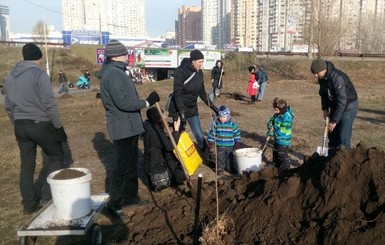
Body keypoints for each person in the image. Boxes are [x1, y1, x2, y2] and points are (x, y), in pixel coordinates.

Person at [96, 39, 160, 221]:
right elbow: (123, 103)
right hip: (122, 127)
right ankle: (114, 205)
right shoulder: (114, 75)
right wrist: (147, 102)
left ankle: (131, 197)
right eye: (125, 53)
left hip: (129, 126)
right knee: (122, 167)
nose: (127, 56)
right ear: (117, 56)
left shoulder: (117, 72)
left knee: (131, 164)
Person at [3, 43, 67, 214]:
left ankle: (29, 204)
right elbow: (49, 104)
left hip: (20, 126)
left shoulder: (9, 78)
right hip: (40, 124)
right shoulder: (39, 75)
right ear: (38, 58)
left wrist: (15, 122)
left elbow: (8, 106)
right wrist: (58, 126)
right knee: (57, 156)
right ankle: (47, 197)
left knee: (27, 165)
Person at [172, 49, 219, 162]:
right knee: (179, 135)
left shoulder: (199, 73)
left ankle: (207, 158)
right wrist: (181, 111)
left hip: (192, 108)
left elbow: (202, 92)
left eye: (202, 62)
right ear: (192, 61)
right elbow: (177, 92)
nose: (201, 64)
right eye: (199, 62)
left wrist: (212, 107)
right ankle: (177, 160)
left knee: (199, 134)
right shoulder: (181, 72)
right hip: (179, 108)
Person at [310, 59, 358, 151]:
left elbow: (342, 101)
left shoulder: (337, 78)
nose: (315, 75)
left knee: (343, 136)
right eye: (314, 73)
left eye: (317, 73)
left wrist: (334, 121)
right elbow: (323, 94)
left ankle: (345, 156)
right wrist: (325, 109)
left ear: (323, 69)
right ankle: (332, 156)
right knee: (332, 134)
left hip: (348, 106)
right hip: (336, 106)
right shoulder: (322, 78)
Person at [143, 107, 186, 190]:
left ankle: (173, 173)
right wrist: (176, 130)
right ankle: (170, 179)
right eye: (163, 116)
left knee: (175, 159)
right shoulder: (154, 133)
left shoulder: (152, 127)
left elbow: (165, 142)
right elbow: (170, 146)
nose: (165, 117)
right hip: (157, 176)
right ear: (158, 119)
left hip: (156, 165)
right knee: (184, 175)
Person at [207, 105, 241, 174]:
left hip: (230, 145)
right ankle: (220, 169)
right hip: (220, 145)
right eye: (220, 117)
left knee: (230, 157)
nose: (222, 118)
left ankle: (230, 168)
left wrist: (237, 142)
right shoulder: (216, 124)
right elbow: (212, 132)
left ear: (228, 117)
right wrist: (210, 141)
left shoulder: (232, 124)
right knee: (220, 158)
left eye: (224, 117)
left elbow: (236, 133)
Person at [266, 97, 294, 170]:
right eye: (275, 110)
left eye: (276, 110)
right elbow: (272, 121)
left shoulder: (287, 118)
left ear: (281, 109)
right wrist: (270, 127)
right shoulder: (277, 115)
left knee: (282, 155)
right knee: (275, 152)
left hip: (283, 139)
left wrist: (273, 131)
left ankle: (285, 169)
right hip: (277, 139)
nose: (275, 112)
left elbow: (282, 130)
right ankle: (275, 166)